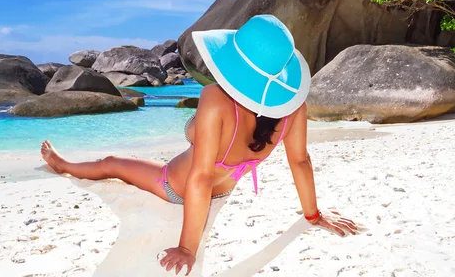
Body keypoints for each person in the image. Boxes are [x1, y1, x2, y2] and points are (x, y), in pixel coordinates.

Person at [40, 15, 357, 276]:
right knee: (176, 144)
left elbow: (201, 177)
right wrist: (313, 215)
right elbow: (300, 162)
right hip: (224, 188)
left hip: (174, 185)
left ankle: (63, 165)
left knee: (112, 163)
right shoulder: (292, 109)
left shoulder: (216, 99)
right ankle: (67, 164)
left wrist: (187, 248)